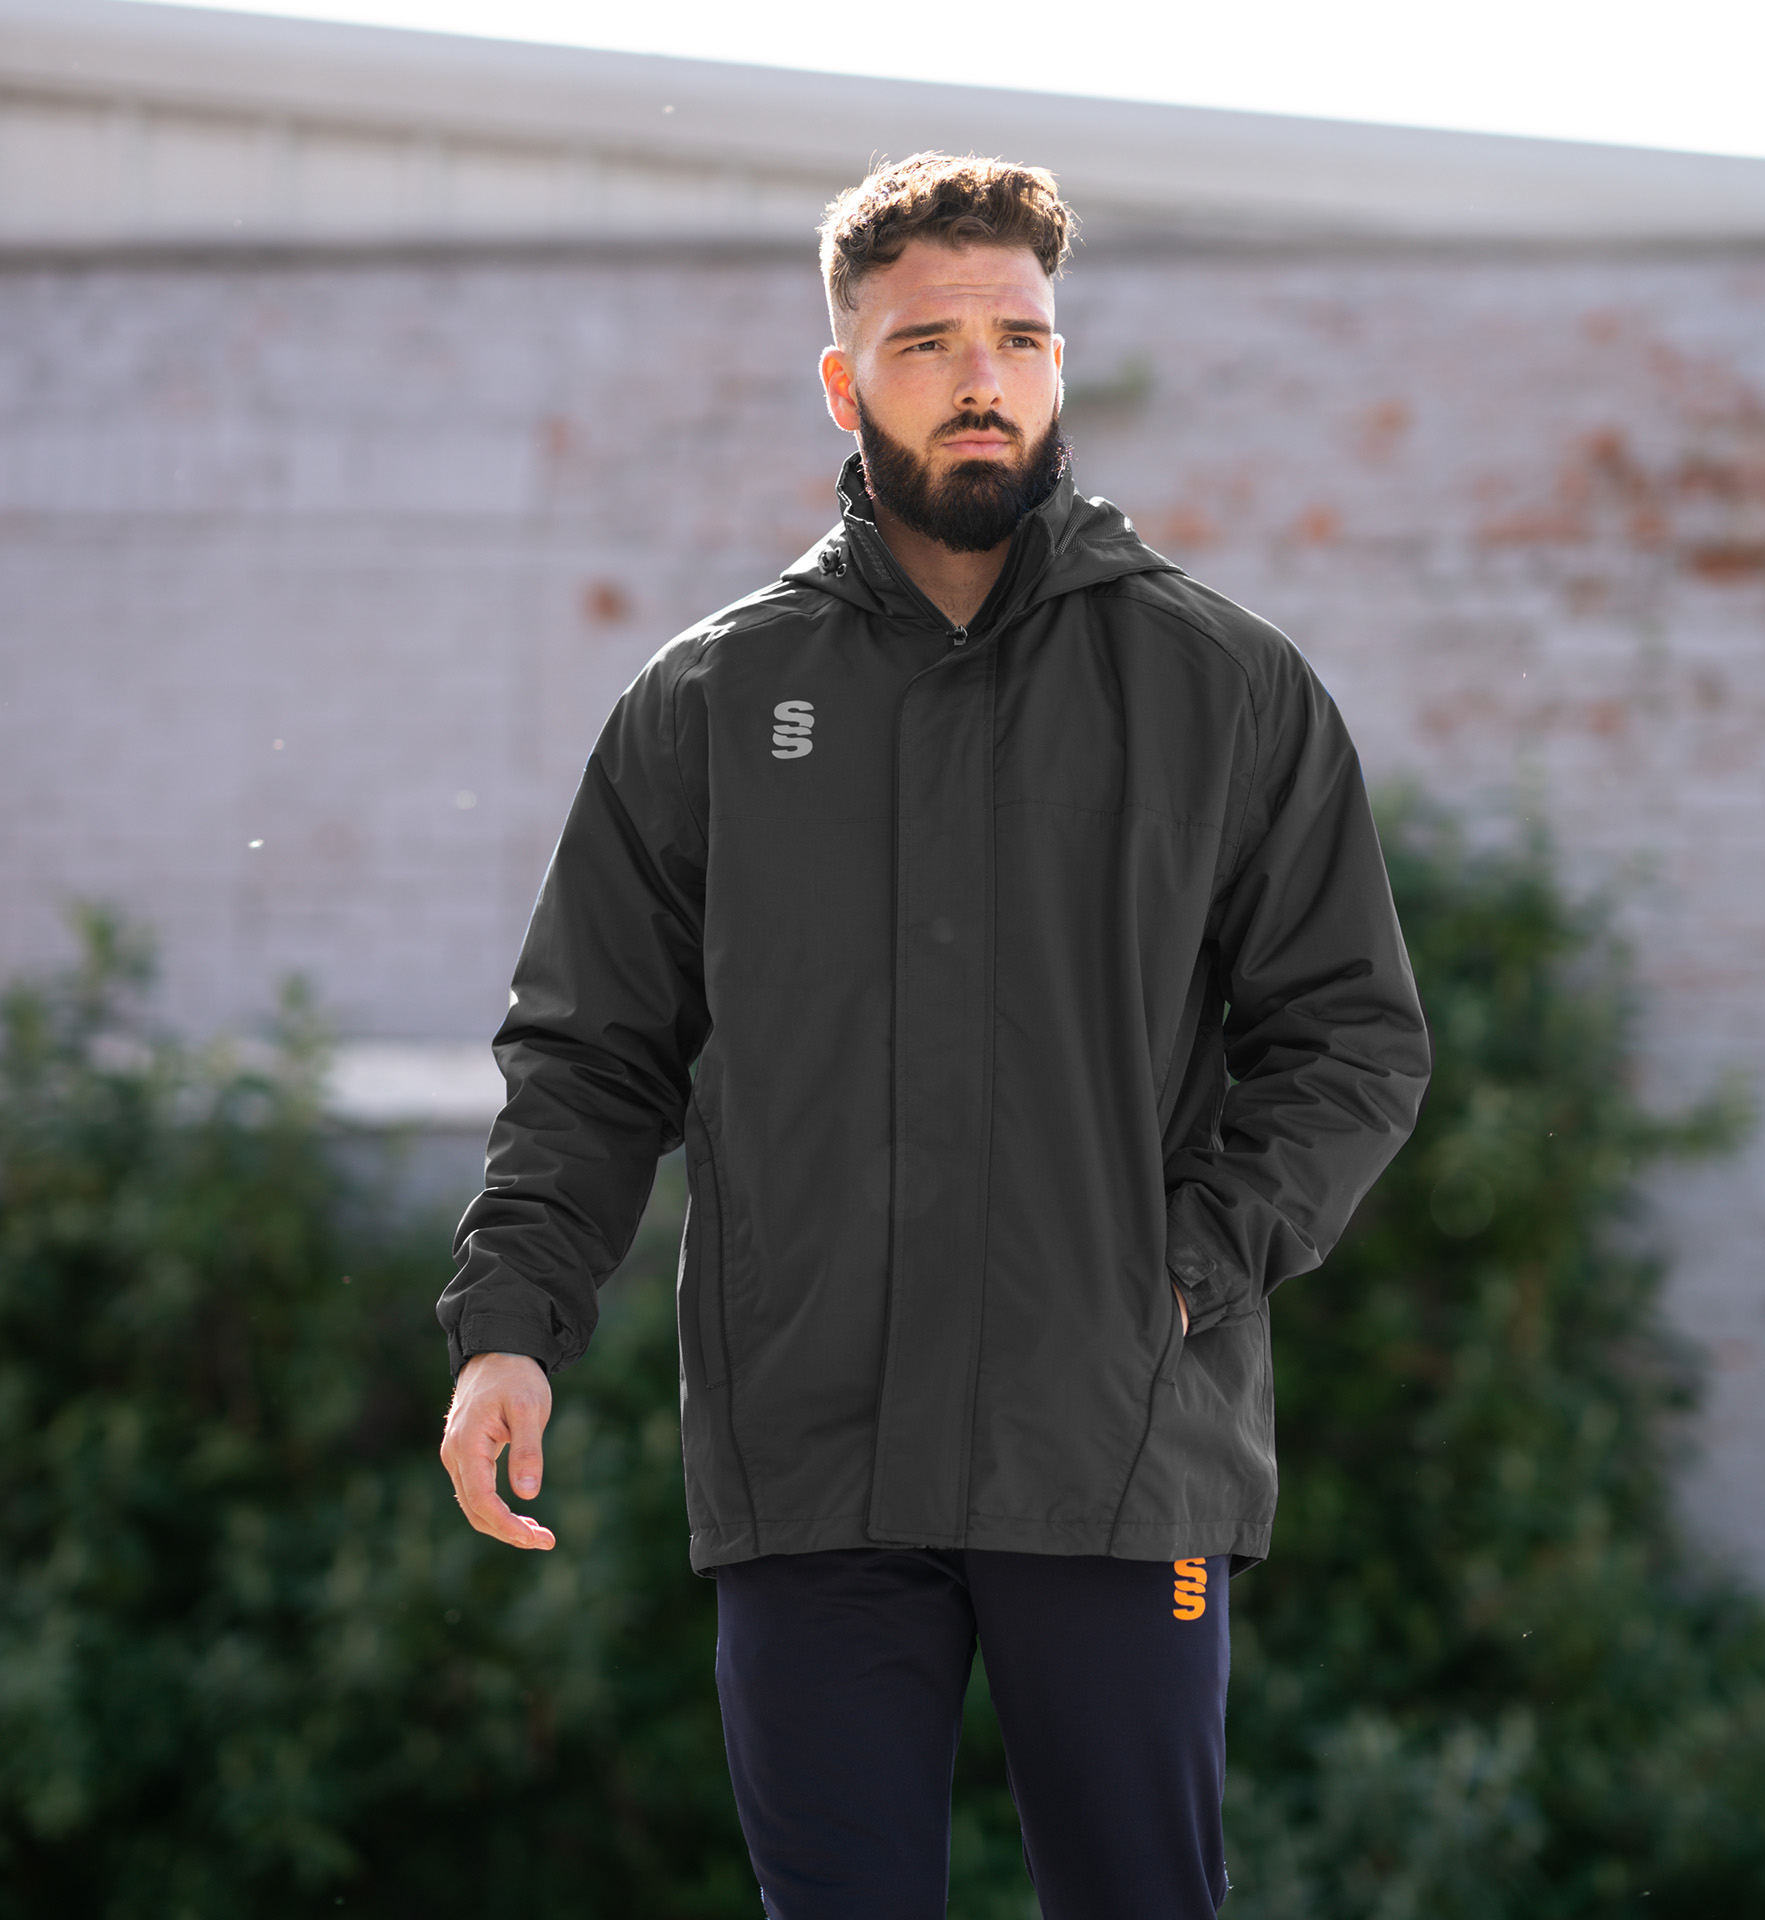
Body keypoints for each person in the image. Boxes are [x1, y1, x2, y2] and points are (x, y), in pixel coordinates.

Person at [437, 152, 1430, 1919]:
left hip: (1117, 1446)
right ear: (845, 383)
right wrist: (510, 1323)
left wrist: (1181, 1271)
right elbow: (590, 1052)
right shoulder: (715, 700)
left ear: (1057, 362)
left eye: (1019, 340)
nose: (984, 380)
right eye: (930, 345)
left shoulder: (1220, 687)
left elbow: (1353, 1037)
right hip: (811, 1455)